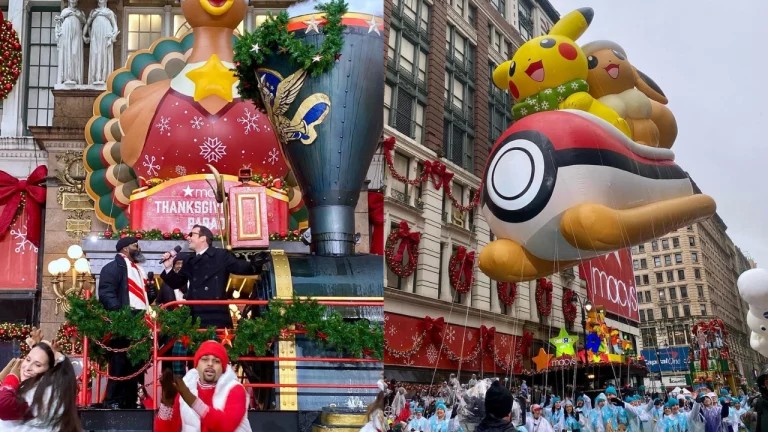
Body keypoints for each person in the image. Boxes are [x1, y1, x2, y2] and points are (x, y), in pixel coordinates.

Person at [160, 225, 261, 329]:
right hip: (194, 316)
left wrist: (256, 264)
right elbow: (176, 283)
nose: (188, 238)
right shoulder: (189, 260)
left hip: (216, 315)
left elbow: (241, 268)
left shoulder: (221, 255)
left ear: (203, 238)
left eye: (192, 234)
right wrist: (168, 268)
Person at [98, 236, 156, 409]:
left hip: (139, 321)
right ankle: (113, 400)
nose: (137, 248)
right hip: (122, 321)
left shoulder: (138, 269)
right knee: (119, 363)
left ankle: (130, 400)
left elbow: (144, 298)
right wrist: (119, 313)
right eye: (134, 245)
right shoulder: (112, 268)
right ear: (124, 248)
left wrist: (152, 292)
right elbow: (106, 292)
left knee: (135, 363)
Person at [155, 340, 250, 431]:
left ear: (223, 368)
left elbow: (225, 427)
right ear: (196, 365)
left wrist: (191, 400)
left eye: (216, 361)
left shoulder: (236, 389)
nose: (210, 364)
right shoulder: (187, 386)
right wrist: (166, 406)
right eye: (205, 359)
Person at [0, 342, 81, 431]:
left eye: (37, 365)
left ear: (50, 371)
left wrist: (12, 378)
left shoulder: (47, 395)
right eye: (28, 359)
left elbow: (3, 407)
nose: (28, 367)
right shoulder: (29, 388)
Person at [83, 0, 118, 85]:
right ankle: (95, 78)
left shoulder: (109, 12)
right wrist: (84, 35)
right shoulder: (93, 12)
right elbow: (87, 24)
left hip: (105, 34)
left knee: (103, 54)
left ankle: (103, 78)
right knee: (95, 53)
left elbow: (115, 27)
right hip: (95, 35)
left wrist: (113, 36)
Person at [54, 0, 85, 85]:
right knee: (68, 53)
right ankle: (67, 77)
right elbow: (59, 23)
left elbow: (84, 21)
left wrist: (75, 14)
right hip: (66, 32)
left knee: (75, 53)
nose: (73, 1)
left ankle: (75, 78)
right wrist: (58, 20)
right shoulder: (64, 11)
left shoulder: (80, 12)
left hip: (77, 33)